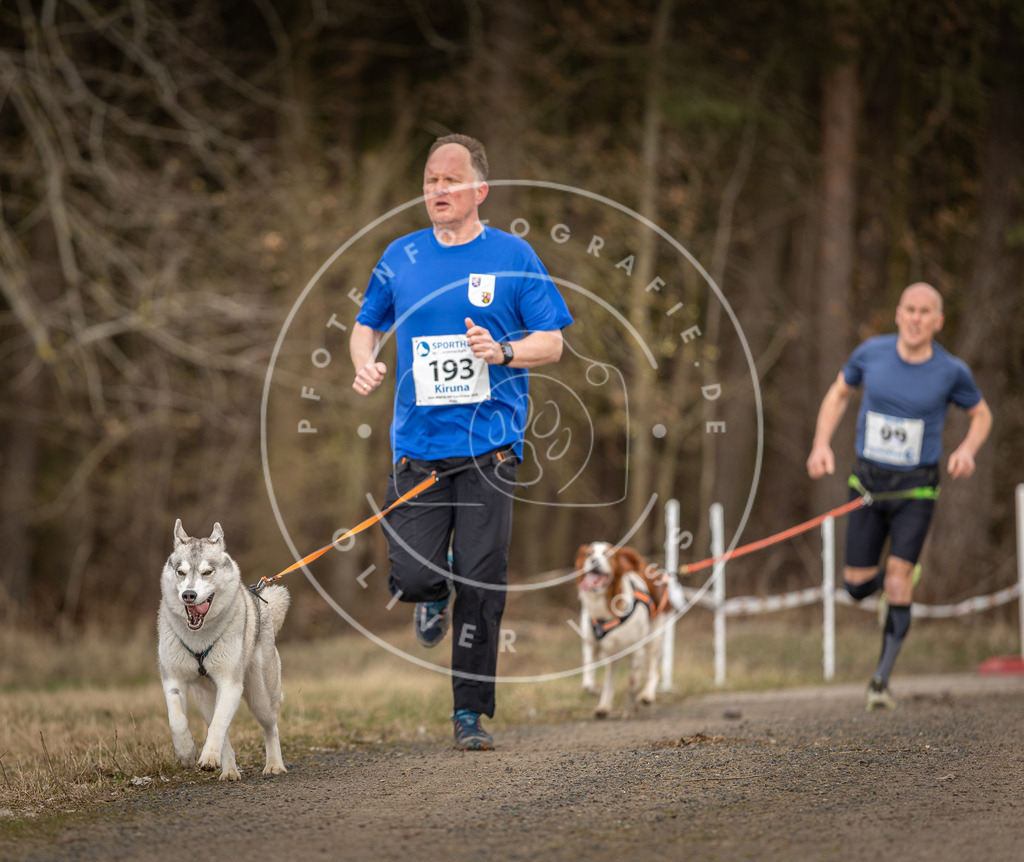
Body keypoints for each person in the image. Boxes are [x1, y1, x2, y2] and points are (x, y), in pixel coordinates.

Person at [350, 134, 573, 749]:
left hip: (490, 448)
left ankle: (469, 714)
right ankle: (432, 590)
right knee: (414, 579)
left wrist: (502, 350)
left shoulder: (513, 255)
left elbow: (552, 342)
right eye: (429, 180)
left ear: (480, 190)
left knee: (483, 580)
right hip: (418, 445)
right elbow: (366, 324)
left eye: (450, 180)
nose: (437, 190)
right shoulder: (401, 256)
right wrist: (365, 361)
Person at [806, 282, 992, 710]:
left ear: (937, 321)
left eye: (925, 312)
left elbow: (981, 415)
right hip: (867, 487)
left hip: (917, 488)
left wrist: (967, 449)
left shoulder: (951, 371)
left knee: (896, 578)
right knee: (854, 587)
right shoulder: (870, 354)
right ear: (898, 313)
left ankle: (880, 681)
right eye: (910, 309)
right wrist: (820, 445)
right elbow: (838, 394)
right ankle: (891, 590)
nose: (916, 318)